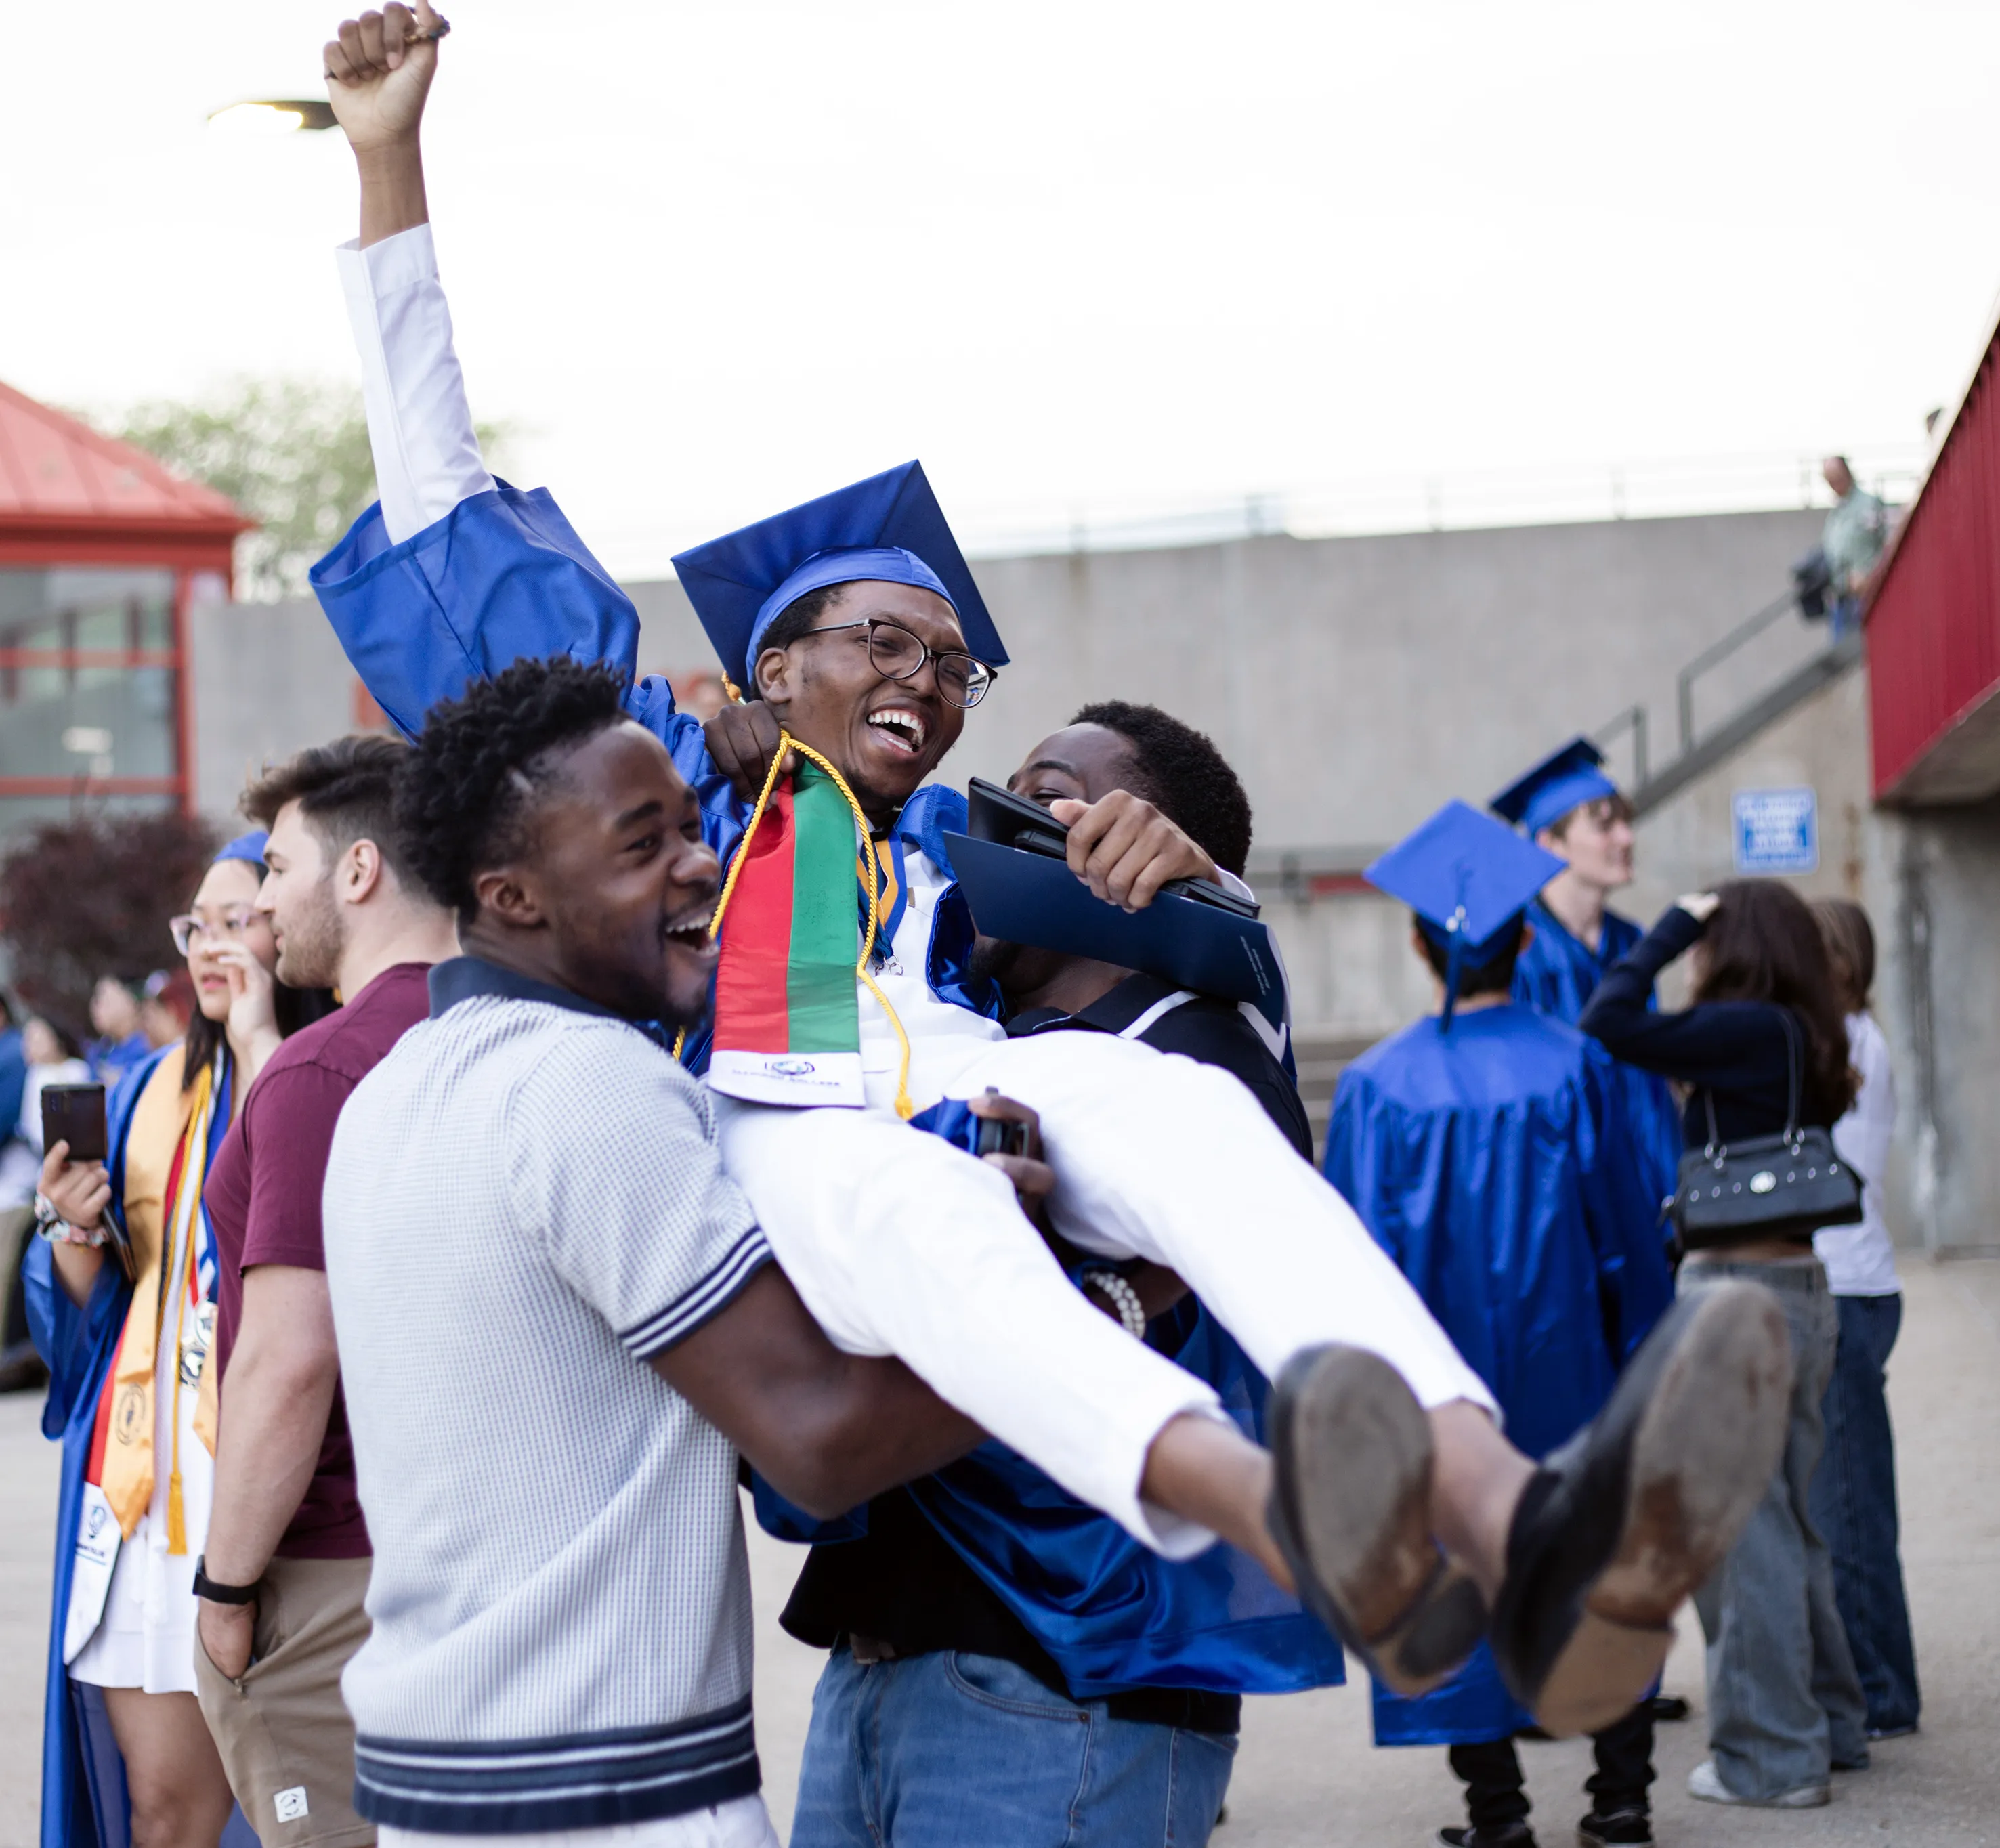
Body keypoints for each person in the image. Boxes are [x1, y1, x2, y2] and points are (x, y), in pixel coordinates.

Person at [312, 0, 1795, 1746]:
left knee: (1173, 1117)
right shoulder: (660, 793)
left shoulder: (960, 848)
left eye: (952, 665)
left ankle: (1508, 1518)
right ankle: (1308, 1531)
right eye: (884, 641)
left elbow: (1217, 967)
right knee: (914, 1209)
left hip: (963, 1092)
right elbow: (438, 490)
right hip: (761, 1130)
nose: (927, 683)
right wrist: (388, 156)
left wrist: (1185, 875)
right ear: (773, 667)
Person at [318, 653, 1217, 1843]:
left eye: (697, 827)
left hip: (448, 1785)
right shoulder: (594, 1084)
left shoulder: (389, 1089)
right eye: (646, 845)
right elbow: (815, 1441)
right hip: (615, 1798)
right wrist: (1097, 1300)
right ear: (515, 894)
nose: (706, 864)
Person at [779, 702, 1331, 1848]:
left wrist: (1215, 905)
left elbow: (1226, 1213)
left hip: (1062, 1682)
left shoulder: (1192, 1042)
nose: (998, 814)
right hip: (886, 1657)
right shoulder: (972, 1036)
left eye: (1048, 790)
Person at [1325, 803, 1674, 1848]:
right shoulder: (1579, 1066)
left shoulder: (1375, 1090)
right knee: (1597, 1565)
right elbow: (1627, 1237)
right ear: (1526, 938)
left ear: (1416, 939)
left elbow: (1350, 1273)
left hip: (1443, 1396)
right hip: (1574, 1369)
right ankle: (1620, 1801)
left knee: (1455, 1566)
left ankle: (1498, 1812)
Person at [25, 835, 334, 1848]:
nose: (209, 944)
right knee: (163, 1813)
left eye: (236, 919)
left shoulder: (319, 1075)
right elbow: (95, 1313)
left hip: (269, 1493)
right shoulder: (144, 1088)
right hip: (144, 1488)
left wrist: (256, 1045)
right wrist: (72, 1227)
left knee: (295, 1812)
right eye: (195, 924)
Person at [192, 736, 461, 1848]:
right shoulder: (519, 1030)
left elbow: (290, 1356)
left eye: (280, 866)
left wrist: (224, 1586)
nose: (262, 905)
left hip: (333, 1565)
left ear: (357, 870)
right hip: (470, 1548)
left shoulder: (325, 1068)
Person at [1580, 880, 1871, 1808]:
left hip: (1735, 1303)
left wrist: (1668, 927)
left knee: (1745, 1538)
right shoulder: (1808, 1033)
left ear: (1731, 944)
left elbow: (1608, 1017)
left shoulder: (1746, 1030)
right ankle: (1828, 1724)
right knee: (1790, 1522)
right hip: (1799, 1294)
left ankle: (1771, 1759)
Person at [1492, 739, 1682, 1249]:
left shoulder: (1632, 941)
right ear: (1549, 843)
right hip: (1565, 1198)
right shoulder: (1520, 950)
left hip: (1648, 1182)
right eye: (1602, 823)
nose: (1624, 836)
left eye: (1624, 820)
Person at [1808, 898, 1921, 1741]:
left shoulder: (1842, 1042)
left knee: (1848, 1508)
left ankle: (1880, 1691)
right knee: (1851, 1503)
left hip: (1846, 1289)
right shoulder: (1858, 1037)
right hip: (1858, 1284)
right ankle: (1878, 1681)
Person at [1819, 457, 1888, 639]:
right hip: (1841, 600)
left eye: (1837, 477)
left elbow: (1888, 544)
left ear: (1847, 473)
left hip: (1867, 596)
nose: (1834, 484)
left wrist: (1870, 574)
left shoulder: (1869, 504)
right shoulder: (1834, 516)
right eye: (1830, 480)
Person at [89, 976, 153, 1086]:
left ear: (130, 1000)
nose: (95, 1007)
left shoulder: (150, 1045)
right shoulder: (101, 1052)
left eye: (104, 998)